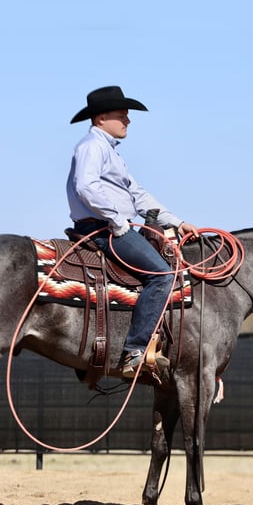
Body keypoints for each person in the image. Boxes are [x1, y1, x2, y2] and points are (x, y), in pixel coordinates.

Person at [66, 85, 199, 378]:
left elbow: (137, 195)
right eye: (121, 115)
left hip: (110, 225)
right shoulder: (93, 146)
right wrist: (118, 221)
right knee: (163, 276)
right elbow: (86, 187)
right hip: (105, 229)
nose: (128, 121)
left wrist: (176, 221)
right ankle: (135, 351)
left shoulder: (110, 152)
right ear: (101, 118)